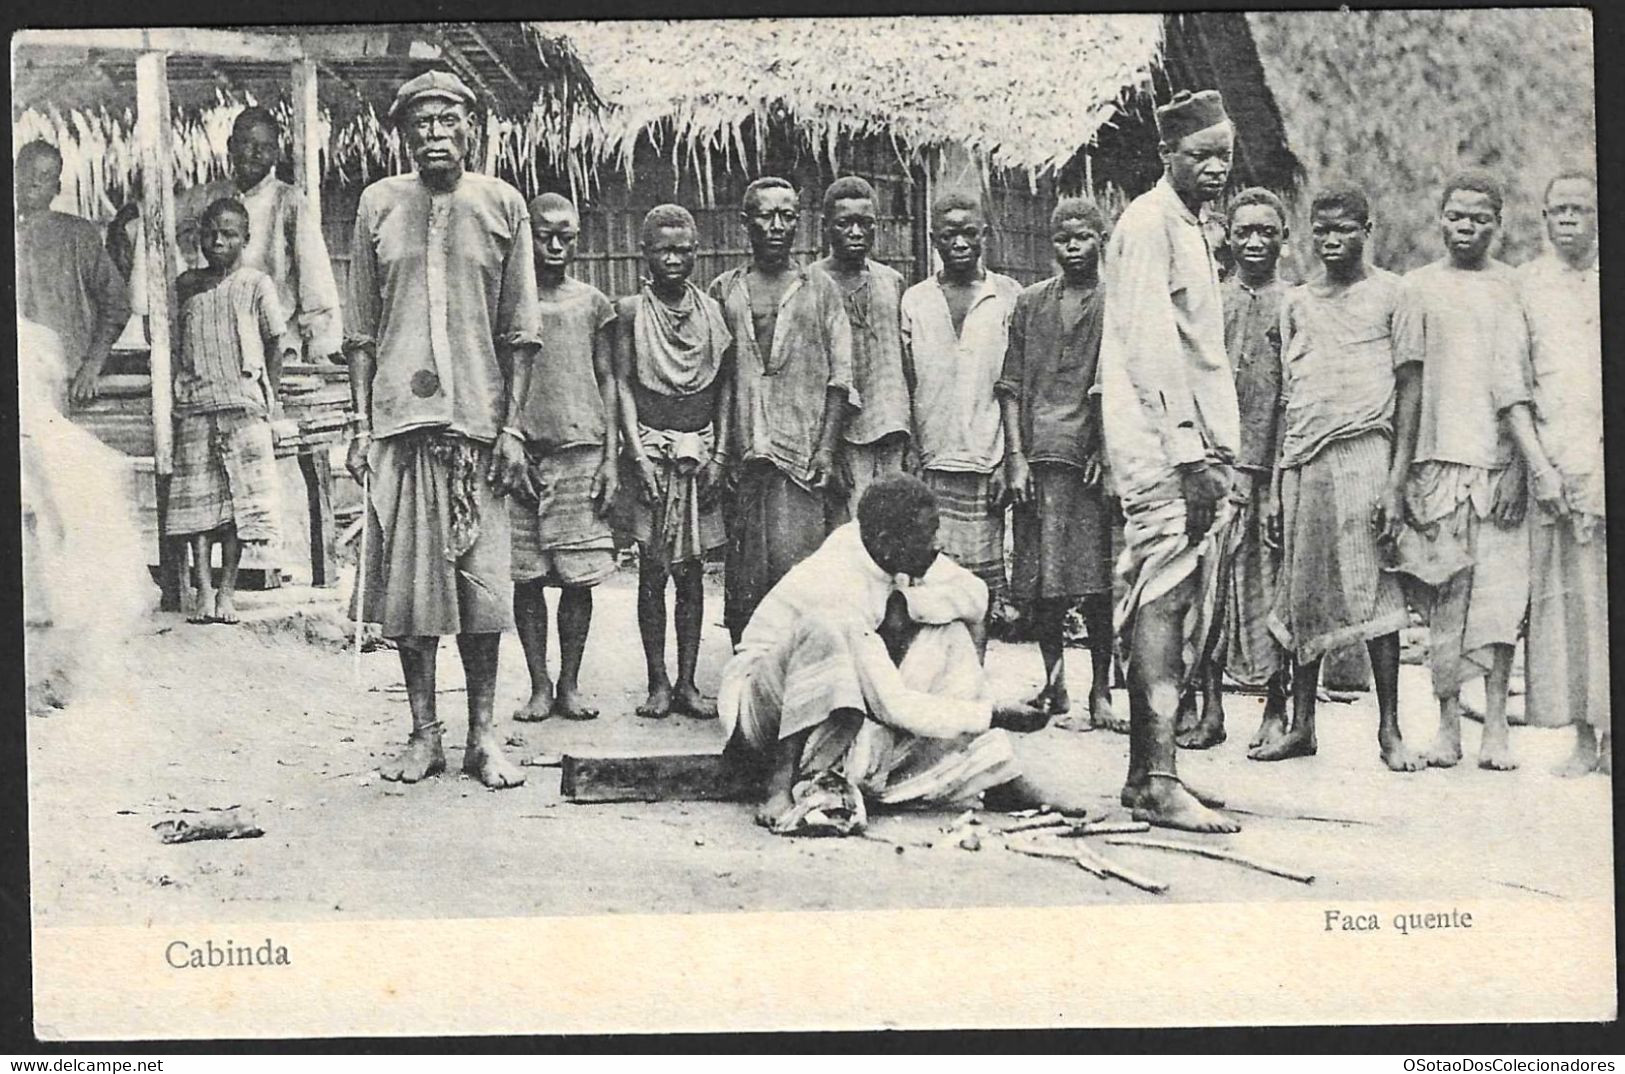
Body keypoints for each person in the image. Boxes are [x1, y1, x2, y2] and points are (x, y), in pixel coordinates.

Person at [344, 71, 541, 789]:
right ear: (401, 133)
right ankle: (422, 733)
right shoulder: (377, 205)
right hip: (400, 425)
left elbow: (521, 331)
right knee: (411, 596)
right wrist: (363, 426)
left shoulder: (502, 205)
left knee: (483, 594)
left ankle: (483, 736)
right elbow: (360, 332)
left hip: (479, 432)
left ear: (472, 129)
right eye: (419, 122)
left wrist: (513, 427)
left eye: (446, 120)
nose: (433, 133)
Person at [718, 472, 1070, 834]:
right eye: (928, 534)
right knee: (822, 626)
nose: (939, 543)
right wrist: (993, 714)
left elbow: (976, 594)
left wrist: (905, 602)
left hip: (832, 703)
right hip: (758, 714)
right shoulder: (841, 582)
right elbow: (894, 705)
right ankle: (778, 784)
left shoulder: (877, 544)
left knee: (948, 633)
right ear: (888, 543)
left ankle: (998, 773)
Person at [1098, 89, 1241, 832]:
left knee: (1178, 597)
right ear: (1166, 157)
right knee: (1163, 597)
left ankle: (1146, 775)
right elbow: (1151, 352)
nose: (1214, 168)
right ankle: (1156, 777)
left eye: (1223, 155)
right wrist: (1188, 457)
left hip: (1188, 442)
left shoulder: (1187, 226)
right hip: (1163, 448)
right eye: (1199, 156)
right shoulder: (1148, 224)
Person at [1261, 184, 1422, 771]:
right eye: (1322, 229)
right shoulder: (1297, 303)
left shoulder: (1393, 294)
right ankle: (1302, 725)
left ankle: (1390, 730)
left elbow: (1409, 389)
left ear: (1367, 229)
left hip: (1364, 454)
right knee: (1303, 592)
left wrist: (1396, 482)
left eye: (1345, 228)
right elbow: (1288, 396)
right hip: (1304, 460)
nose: (1333, 240)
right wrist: (1279, 485)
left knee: (1375, 591)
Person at [1393, 171, 1532, 772]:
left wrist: (1520, 467)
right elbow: (1407, 386)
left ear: (1498, 224)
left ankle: (1496, 724)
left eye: (1479, 218)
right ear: (1440, 220)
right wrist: (1401, 475)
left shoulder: (1516, 288)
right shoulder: (1417, 287)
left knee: (1500, 603)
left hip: (1499, 465)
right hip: (1437, 464)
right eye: (1456, 216)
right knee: (1444, 604)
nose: (1466, 228)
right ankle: (1448, 724)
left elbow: (1529, 388)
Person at [710, 177, 855, 646]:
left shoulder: (821, 290)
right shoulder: (725, 290)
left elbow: (840, 377)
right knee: (746, 578)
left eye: (786, 216)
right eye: (765, 216)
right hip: (745, 454)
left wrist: (827, 451)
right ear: (745, 222)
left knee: (800, 575)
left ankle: (800, 680)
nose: (776, 226)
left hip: (802, 453)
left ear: (798, 221)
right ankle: (748, 682)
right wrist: (721, 450)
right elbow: (715, 378)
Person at [996, 197, 1118, 732]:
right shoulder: (1029, 304)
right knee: (1044, 584)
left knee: (1095, 585)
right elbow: (1011, 386)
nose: (1073, 248)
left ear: (1101, 239)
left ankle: (1100, 691)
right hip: (1038, 460)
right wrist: (1015, 458)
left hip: (1088, 465)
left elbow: (1118, 384)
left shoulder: (1116, 304)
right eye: (1063, 239)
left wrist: (1107, 453)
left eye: (1083, 237)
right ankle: (1055, 682)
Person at [1177, 187, 1292, 750]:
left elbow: (1292, 396)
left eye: (1266, 231)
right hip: (1215, 468)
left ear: (1284, 239)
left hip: (1272, 472)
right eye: (1243, 230)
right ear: (1227, 235)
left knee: (1272, 593)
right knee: (1209, 596)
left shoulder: (1294, 305)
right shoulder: (1211, 302)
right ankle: (1210, 708)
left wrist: (1270, 479)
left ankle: (1275, 709)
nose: (1253, 242)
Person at [611, 204, 734, 720]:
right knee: (653, 571)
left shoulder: (712, 312)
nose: (675, 259)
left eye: (684, 250)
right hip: (650, 454)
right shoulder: (629, 312)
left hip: (700, 452)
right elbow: (619, 383)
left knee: (692, 573)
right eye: (664, 250)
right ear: (646, 253)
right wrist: (635, 454)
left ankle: (687, 682)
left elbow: (725, 385)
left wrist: (720, 453)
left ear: (697, 253)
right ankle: (657, 683)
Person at [112, 106, 343, 368]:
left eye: (265, 147)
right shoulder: (211, 195)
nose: (256, 154)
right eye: (247, 144)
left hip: (271, 341)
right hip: (211, 336)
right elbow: (158, 215)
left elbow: (315, 277)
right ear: (231, 145)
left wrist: (322, 345)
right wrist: (129, 218)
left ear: (276, 153)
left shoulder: (288, 201)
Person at [509, 193, 619, 723]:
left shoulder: (593, 304)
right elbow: (495, 379)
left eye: (566, 235)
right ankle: (538, 685)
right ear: (526, 234)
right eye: (544, 234)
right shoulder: (509, 303)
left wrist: (612, 459)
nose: (555, 246)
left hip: (581, 453)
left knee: (578, 579)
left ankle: (570, 684)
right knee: (526, 577)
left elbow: (609, 380)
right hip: (523, 456)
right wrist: (507, 444)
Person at [1512, 171, 1608, 776]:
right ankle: (1581, 736)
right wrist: (1541, 468)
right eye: (1557, 211)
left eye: (1579, 209)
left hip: (1603, 459)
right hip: (1553, 465)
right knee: (1569, 606)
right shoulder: (1527, 285)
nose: (1567, 220)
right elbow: (1513, 387)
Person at [166, 198, 291, 626]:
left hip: (243, 406)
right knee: (201, 509)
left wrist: (266, 397)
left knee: (238, 507)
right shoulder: (186, 285)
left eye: (229, 233)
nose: (218, 241)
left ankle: (226, 592)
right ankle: (203, 590)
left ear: (246, 238)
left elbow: (276, 341)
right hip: (198, 407)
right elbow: (171, 341)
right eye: (210, 233)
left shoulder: (257, 283)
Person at [901, 190, 1021, 610]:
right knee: (929, 588)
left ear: (984, 234)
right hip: (931, 463)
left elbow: (1013, 385)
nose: (960, 243)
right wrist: (912, 449)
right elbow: (906, 378)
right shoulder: (915, 300)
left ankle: (973, 675)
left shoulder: (1008, 297)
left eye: (969, 233)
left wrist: (1010, 459)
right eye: (949, 234)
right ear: (934, 239)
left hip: (984, 464)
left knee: (978, 594)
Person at [811, 176, 912, 514]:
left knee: (892, 524)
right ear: (826, 227)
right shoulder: (811, 283)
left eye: (865, 224)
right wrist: (829, 446)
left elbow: (905, 362)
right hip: (841, 434)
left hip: (891, 428)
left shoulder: (892, 282)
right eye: (844, 224)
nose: (855, 232)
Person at [14, 140, 132, 407]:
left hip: (62, 379)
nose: (33, 182)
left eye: (44, 176)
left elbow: (117, 304)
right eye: (27, 172)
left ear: (57, 187)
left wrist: (92, 367)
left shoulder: (78, 234)